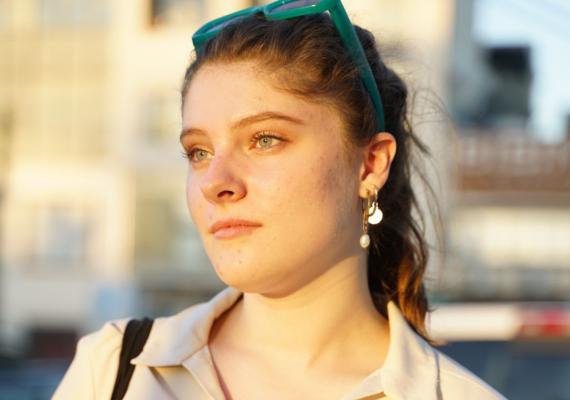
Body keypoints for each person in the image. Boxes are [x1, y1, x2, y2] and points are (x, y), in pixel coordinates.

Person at [54, 1, 506, 399]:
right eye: (199, 152)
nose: (216, 182)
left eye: (264, 139)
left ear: (369, 165)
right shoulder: (114, 371)